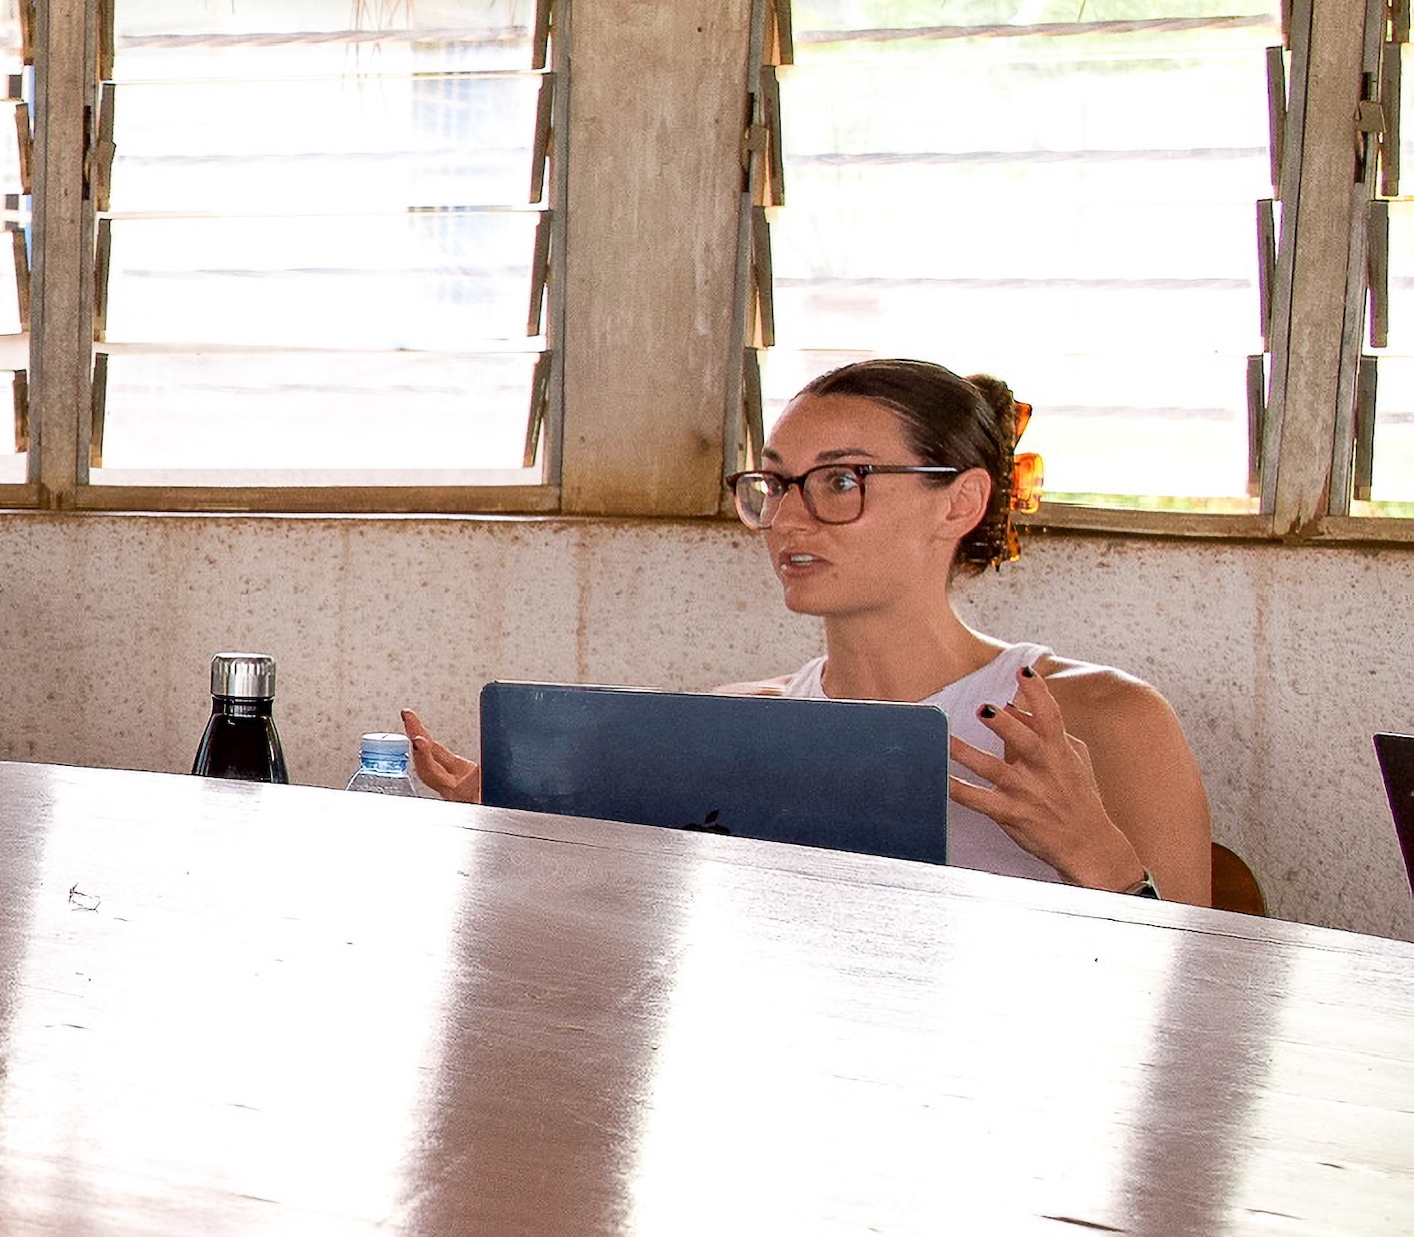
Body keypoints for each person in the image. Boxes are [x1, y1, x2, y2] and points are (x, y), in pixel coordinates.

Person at [399, 358, 1212, 901]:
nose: (788, 517)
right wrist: (527, 831)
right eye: (778, 483)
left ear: (961, 502)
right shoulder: (733, 723)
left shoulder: (1101, 718)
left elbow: (1196, 1017)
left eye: (840, 481)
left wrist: (1093, 851)